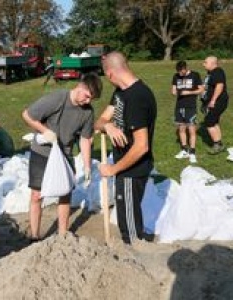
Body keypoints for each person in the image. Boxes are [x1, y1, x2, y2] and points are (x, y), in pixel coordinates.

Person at [22, 72, 102, 241]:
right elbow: (27, 115)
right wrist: (45, 131)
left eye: (91, 99)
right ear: (80, 87)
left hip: (64, 155)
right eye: (87, 96)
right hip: (42, 152)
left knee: (65, 194)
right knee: (37, 195)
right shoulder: (58, 98)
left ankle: (63, 236)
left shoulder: (87, 112)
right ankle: (35, 235)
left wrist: (87, 166)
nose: (87, 102)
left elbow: (85, 139)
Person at [94, 51, 157, 245]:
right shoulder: (121, 92)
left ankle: (135, 259)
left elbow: (141, 146)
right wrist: (108, 126)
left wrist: (112, 169)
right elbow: (100, 121)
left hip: (132, 169)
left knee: (129, 227)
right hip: (123, 166)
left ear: (111, 74)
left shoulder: (138, 97)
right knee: (126, 214)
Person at [171, 60, 204, 163]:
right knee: (181, 129)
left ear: (186, 68)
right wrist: (174, 91)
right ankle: (185, 150)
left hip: (191, 106)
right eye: (178, 72)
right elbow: (173, 90)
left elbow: (201, 90)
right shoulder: (176, 76)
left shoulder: (195, 75)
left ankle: (192, 153)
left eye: (181, 71)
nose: (180, 73)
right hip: (179, 106)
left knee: (191, 130)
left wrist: (189, 92)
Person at [202, 56, 229, 154]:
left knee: (209, 122)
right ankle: (220, 144)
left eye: (205, 62)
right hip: (212, 102)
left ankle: (217, 145)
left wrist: (213, 100)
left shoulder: (217, 71)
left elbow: (219, 86)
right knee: (214, 122)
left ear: (213, 63)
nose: (203, 64)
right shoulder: (211, 73)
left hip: (218, 101)